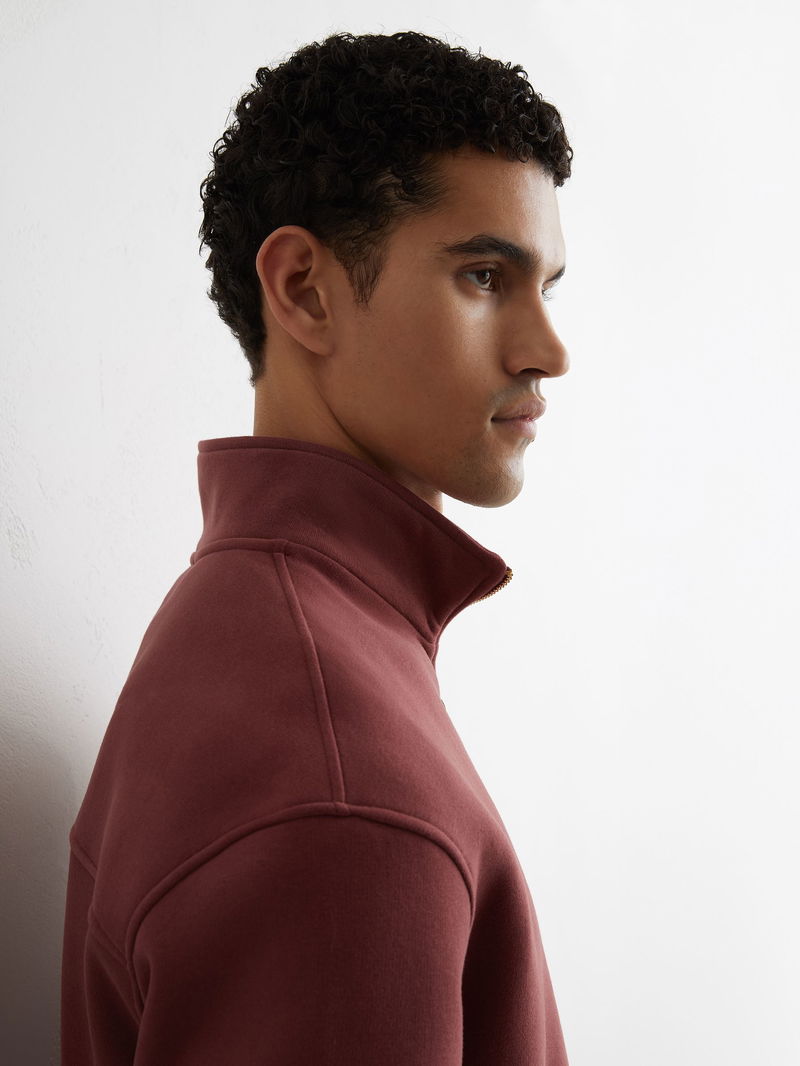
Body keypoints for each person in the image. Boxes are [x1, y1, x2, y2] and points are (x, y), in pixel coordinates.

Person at [60, 29, 572, 1065]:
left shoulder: (254, 626)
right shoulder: (338, 782)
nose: (547, 350)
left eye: (545, 287)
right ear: (302, 289)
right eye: (484, 275)